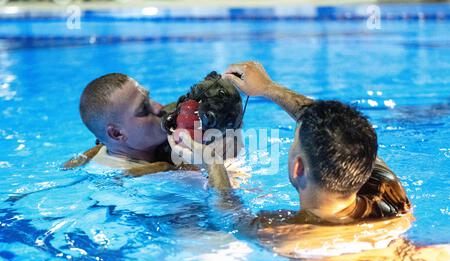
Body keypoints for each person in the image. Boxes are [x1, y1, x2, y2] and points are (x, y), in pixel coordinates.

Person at [170, 61, 411, 224]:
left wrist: (213, 163)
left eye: (293, 143)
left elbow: (228, 214)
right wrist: (267, 87)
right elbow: (341, 127)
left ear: (298, 168)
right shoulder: (391, 199)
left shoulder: (289, 234)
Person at [64, 73, 248, 184]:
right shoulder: (140, 184)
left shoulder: (109, 149)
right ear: (117, 134)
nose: (159, 107)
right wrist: (211, 163)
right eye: (144, 109)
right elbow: (230, 212)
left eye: (149, 98)